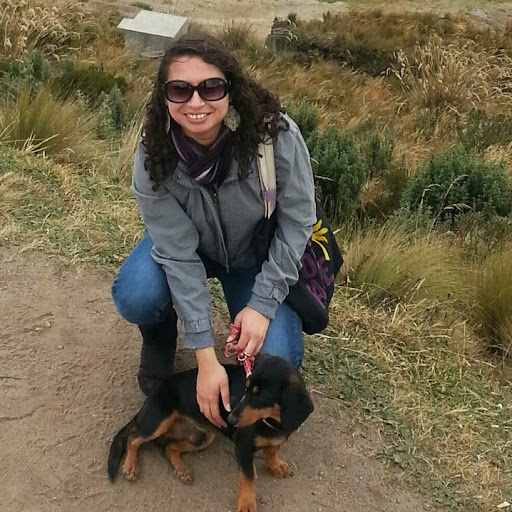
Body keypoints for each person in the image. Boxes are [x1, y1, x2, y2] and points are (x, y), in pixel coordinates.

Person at [111, 33, 316, 429]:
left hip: (255, 257)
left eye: (210, 87)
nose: (196, 102)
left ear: (230, 88)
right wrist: (205, 356)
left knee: (280, 355)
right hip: (190, 251)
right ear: (164, 97)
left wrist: (262, 305)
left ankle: (251, 324)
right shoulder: (154, 154)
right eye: (180, 89)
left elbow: (297, 222)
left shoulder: (275, 136)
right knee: (137, 294)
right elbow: (176, 253)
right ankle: (159, 338)